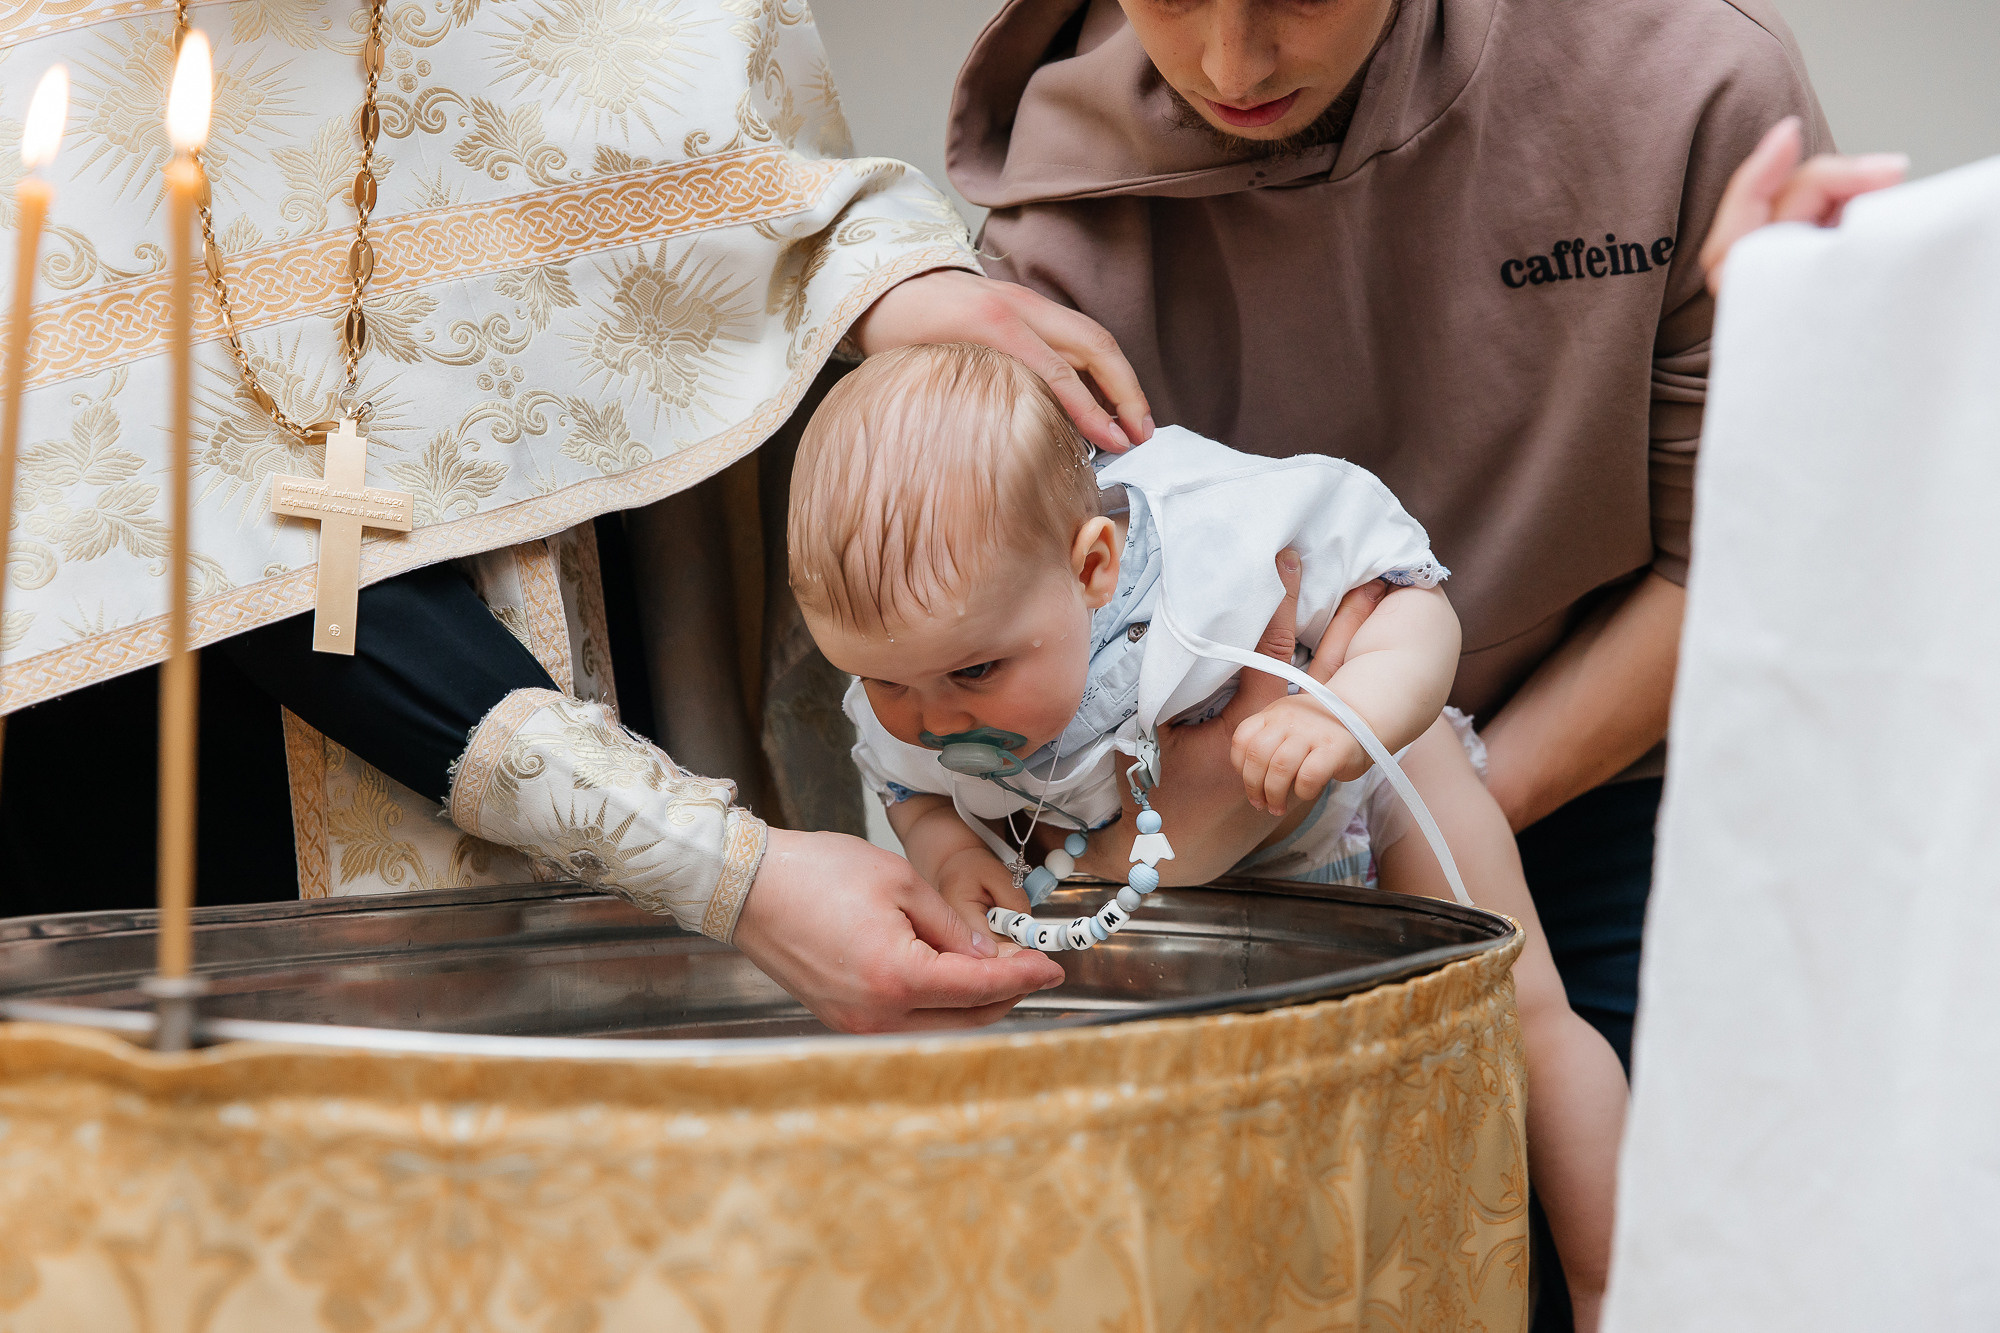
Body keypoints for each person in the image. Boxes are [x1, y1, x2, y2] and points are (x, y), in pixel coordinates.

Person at [787, 342, 1630, 1325]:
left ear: (1090, 567)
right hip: (1167, 864)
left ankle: (1615, 1282)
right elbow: (904, 780)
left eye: (971, 675)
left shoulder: (1218, 551)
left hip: (1370, 783)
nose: (933, 718)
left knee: (1520, 1015)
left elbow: (1409, 601)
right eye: (884, 681)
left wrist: (1344, 718)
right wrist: (945, 851)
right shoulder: (924, 660)